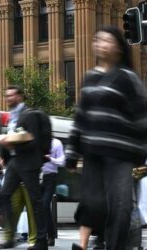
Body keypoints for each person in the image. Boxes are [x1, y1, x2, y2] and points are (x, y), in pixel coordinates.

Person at [65, 26, 147, 250]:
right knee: (93, 205)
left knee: (120, 208)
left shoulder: (128, 79)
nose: (100, 44)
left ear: (119, 48)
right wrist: (72, 152)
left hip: (120, 154)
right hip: (93, 152)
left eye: (106, 40)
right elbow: (80, 116)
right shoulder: (89, 78)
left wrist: (141, 152)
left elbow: (141, 118)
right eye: (97, 40)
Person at [0, 85, 49, 250]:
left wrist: (12, 144)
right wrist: (5, 151)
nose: (8, 98)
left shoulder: (29, 114)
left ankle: (42, 240)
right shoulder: (12, 116)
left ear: (20, 96)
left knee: (35, 201)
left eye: (11, 95)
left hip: (28, 162)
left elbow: (33, 141)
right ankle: (10, 235)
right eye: (7, 96)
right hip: (14, 162)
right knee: (4, 195)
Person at [41, 137, 65, 246]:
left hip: (50, 176)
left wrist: (50, 158)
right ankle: (40, 236)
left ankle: (50, 236)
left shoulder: (56, 143)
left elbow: (62, 162)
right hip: (36, 176)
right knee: (36, 206)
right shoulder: (36, 141)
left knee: (45, 204)